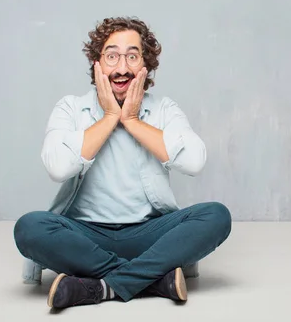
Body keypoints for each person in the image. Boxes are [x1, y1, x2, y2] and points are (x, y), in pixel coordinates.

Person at [13, 16, 232, 309]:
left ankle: (101, 287)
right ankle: (151, 280)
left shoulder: (163, 109)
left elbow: (194, 162)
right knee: (29, 227)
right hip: (85, 236)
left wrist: (130, 120)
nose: (122, 67)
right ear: (98, 64)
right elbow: (58, 168)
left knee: (216, 216)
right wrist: (108, 118)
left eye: (132, 56)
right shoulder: (71, 108)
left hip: (148, 235)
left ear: (145, 65)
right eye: (112, 56)